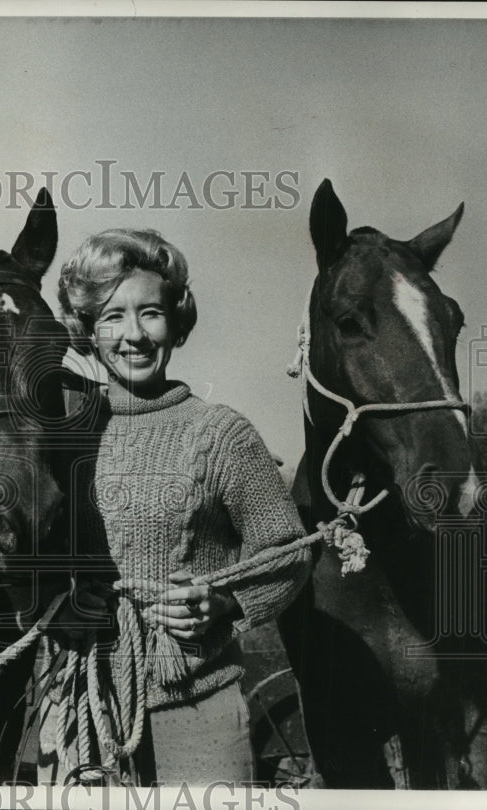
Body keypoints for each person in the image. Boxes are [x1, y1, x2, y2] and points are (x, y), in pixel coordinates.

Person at [35, 228, 310, 786]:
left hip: (197, 700)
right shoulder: (58, 433)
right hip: (81, 701)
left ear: (177, 323)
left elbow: (287, 552)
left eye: (151, 313)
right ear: (87, 327)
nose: (132, 335)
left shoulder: (221, 433)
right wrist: (56, 602)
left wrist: (226, 603)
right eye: (112, 316)